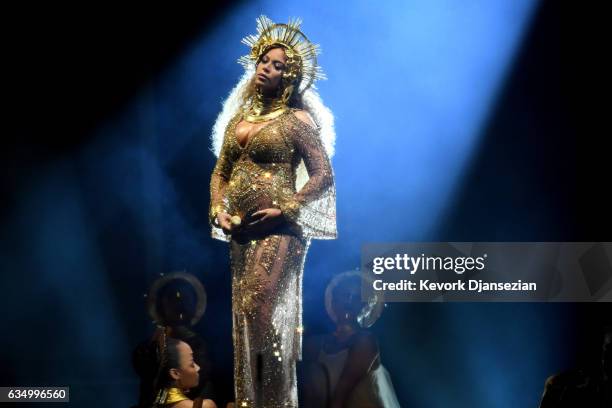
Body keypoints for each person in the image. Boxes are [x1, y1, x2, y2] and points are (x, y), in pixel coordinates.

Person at [209, 15, 337, 407]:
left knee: (260, 307)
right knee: (247, 317)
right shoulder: (237, 122)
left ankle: (275, 399)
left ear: (291, 77)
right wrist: (218, 208)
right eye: (265, 60)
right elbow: (221, 172)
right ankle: (252, 400)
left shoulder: (296, 120)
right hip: (242, 232)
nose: (268, 68)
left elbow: (323, 175)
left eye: (279, 65)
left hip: (281, 229)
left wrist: (286, 209)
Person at [301, 271, 400, 408]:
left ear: (366, 306)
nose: (349, 301)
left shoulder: (365, 342)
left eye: (357, 297)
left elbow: (341, 395)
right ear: (334, 301)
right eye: (344, 294)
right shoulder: (314, 344)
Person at [132, 327, 217, 408]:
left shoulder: (154, 402)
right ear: (175, 373)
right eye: (191, 364)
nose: (198, 368)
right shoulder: (206, 405)